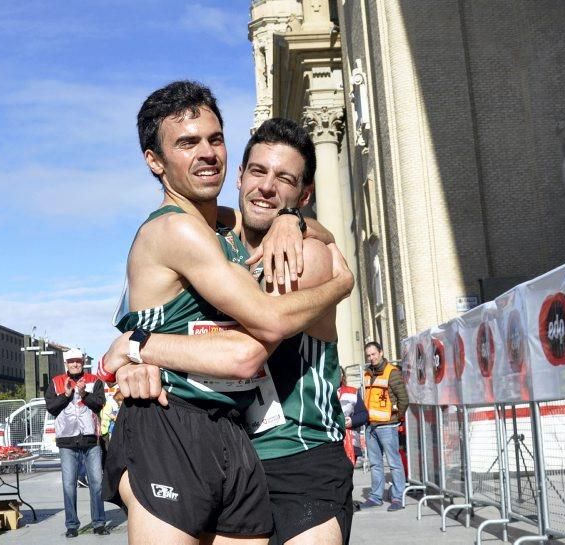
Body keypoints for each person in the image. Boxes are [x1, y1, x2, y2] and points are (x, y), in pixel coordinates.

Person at [102, 82, 353, 545]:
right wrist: (133, 356)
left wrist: (296, 224)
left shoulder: (306, 252)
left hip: (299, 454)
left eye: (214, 139)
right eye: (258, 171)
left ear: (304, 192)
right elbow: (147, 325)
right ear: (240, 177)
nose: (267, 187)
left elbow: (244, 352)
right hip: (196, 432)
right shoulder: (201, 235)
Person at [44, 347, 109, 537]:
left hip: (91, 439)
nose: (75, 364)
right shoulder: (56, 382)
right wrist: (65, 395)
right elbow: (51, 408)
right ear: (66, 363)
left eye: (78, 361)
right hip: (67, 441)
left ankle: (99, 523)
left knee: (96, 483)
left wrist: (84, 394)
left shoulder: (94, 381)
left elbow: (99, 404)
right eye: (71, 361)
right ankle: (72, 525)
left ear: (82, 362)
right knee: (68, 484)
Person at [347, 341, 409, 511]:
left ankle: (397, 498)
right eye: (368, 355)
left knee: (394, 463)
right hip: (370, 427)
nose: (371, 358)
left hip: (387, 426)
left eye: (374, 354)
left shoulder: (392, 373)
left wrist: (395, 417)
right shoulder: (367, 374)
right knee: (375, 464)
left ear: (381, 353)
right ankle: (376, 497)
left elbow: (403, 399)